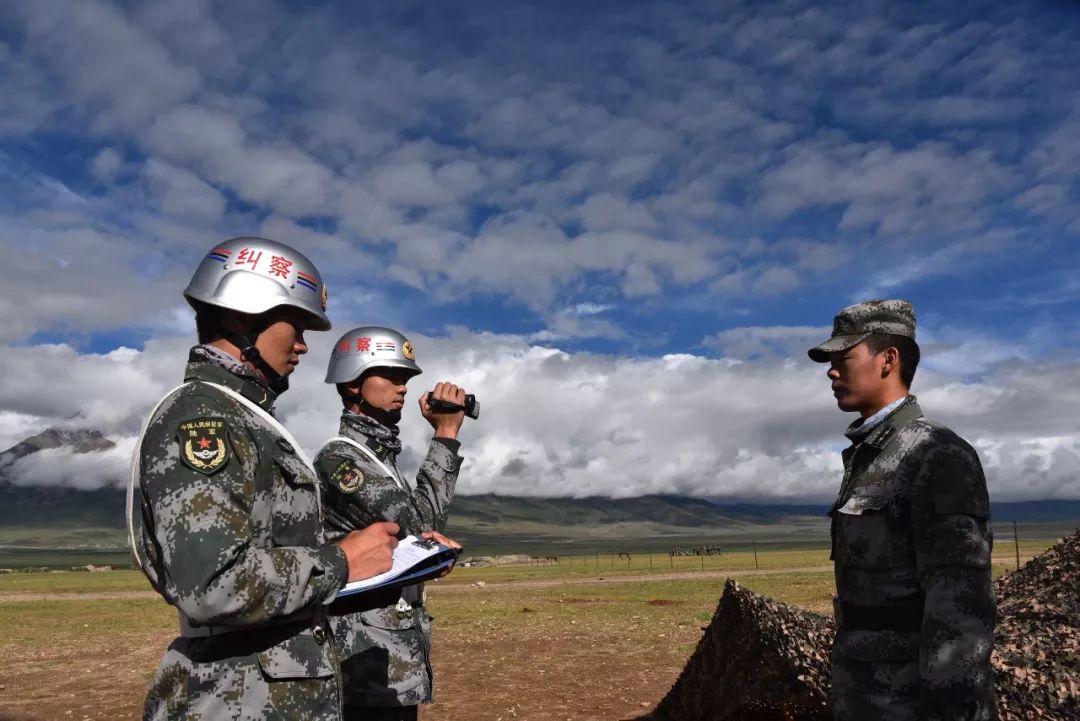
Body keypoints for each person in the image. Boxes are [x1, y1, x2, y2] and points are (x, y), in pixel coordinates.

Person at [127, 237, 401, 721]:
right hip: (235, 699)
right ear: (241, 314)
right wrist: (340, 562)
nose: (302, 345)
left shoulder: (245, 418)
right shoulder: (204, 420)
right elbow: (212, 585)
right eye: (295, 325)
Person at [807, 299, 997, 721]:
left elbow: (960, 607)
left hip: (910, 701)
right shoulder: (869, 455)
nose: (832, 370)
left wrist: (951, 708)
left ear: (888, 359)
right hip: (865, 691)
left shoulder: (936, 453)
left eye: (844, 357)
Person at [316, 325, 466, 721]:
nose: (402, 387)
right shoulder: (342, 460)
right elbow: (419, 528)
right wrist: (446, 436)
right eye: (391, 376)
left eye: (406, 378)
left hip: (388, 656)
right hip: (363, 660)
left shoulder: (381, 459)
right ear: (352, 384)